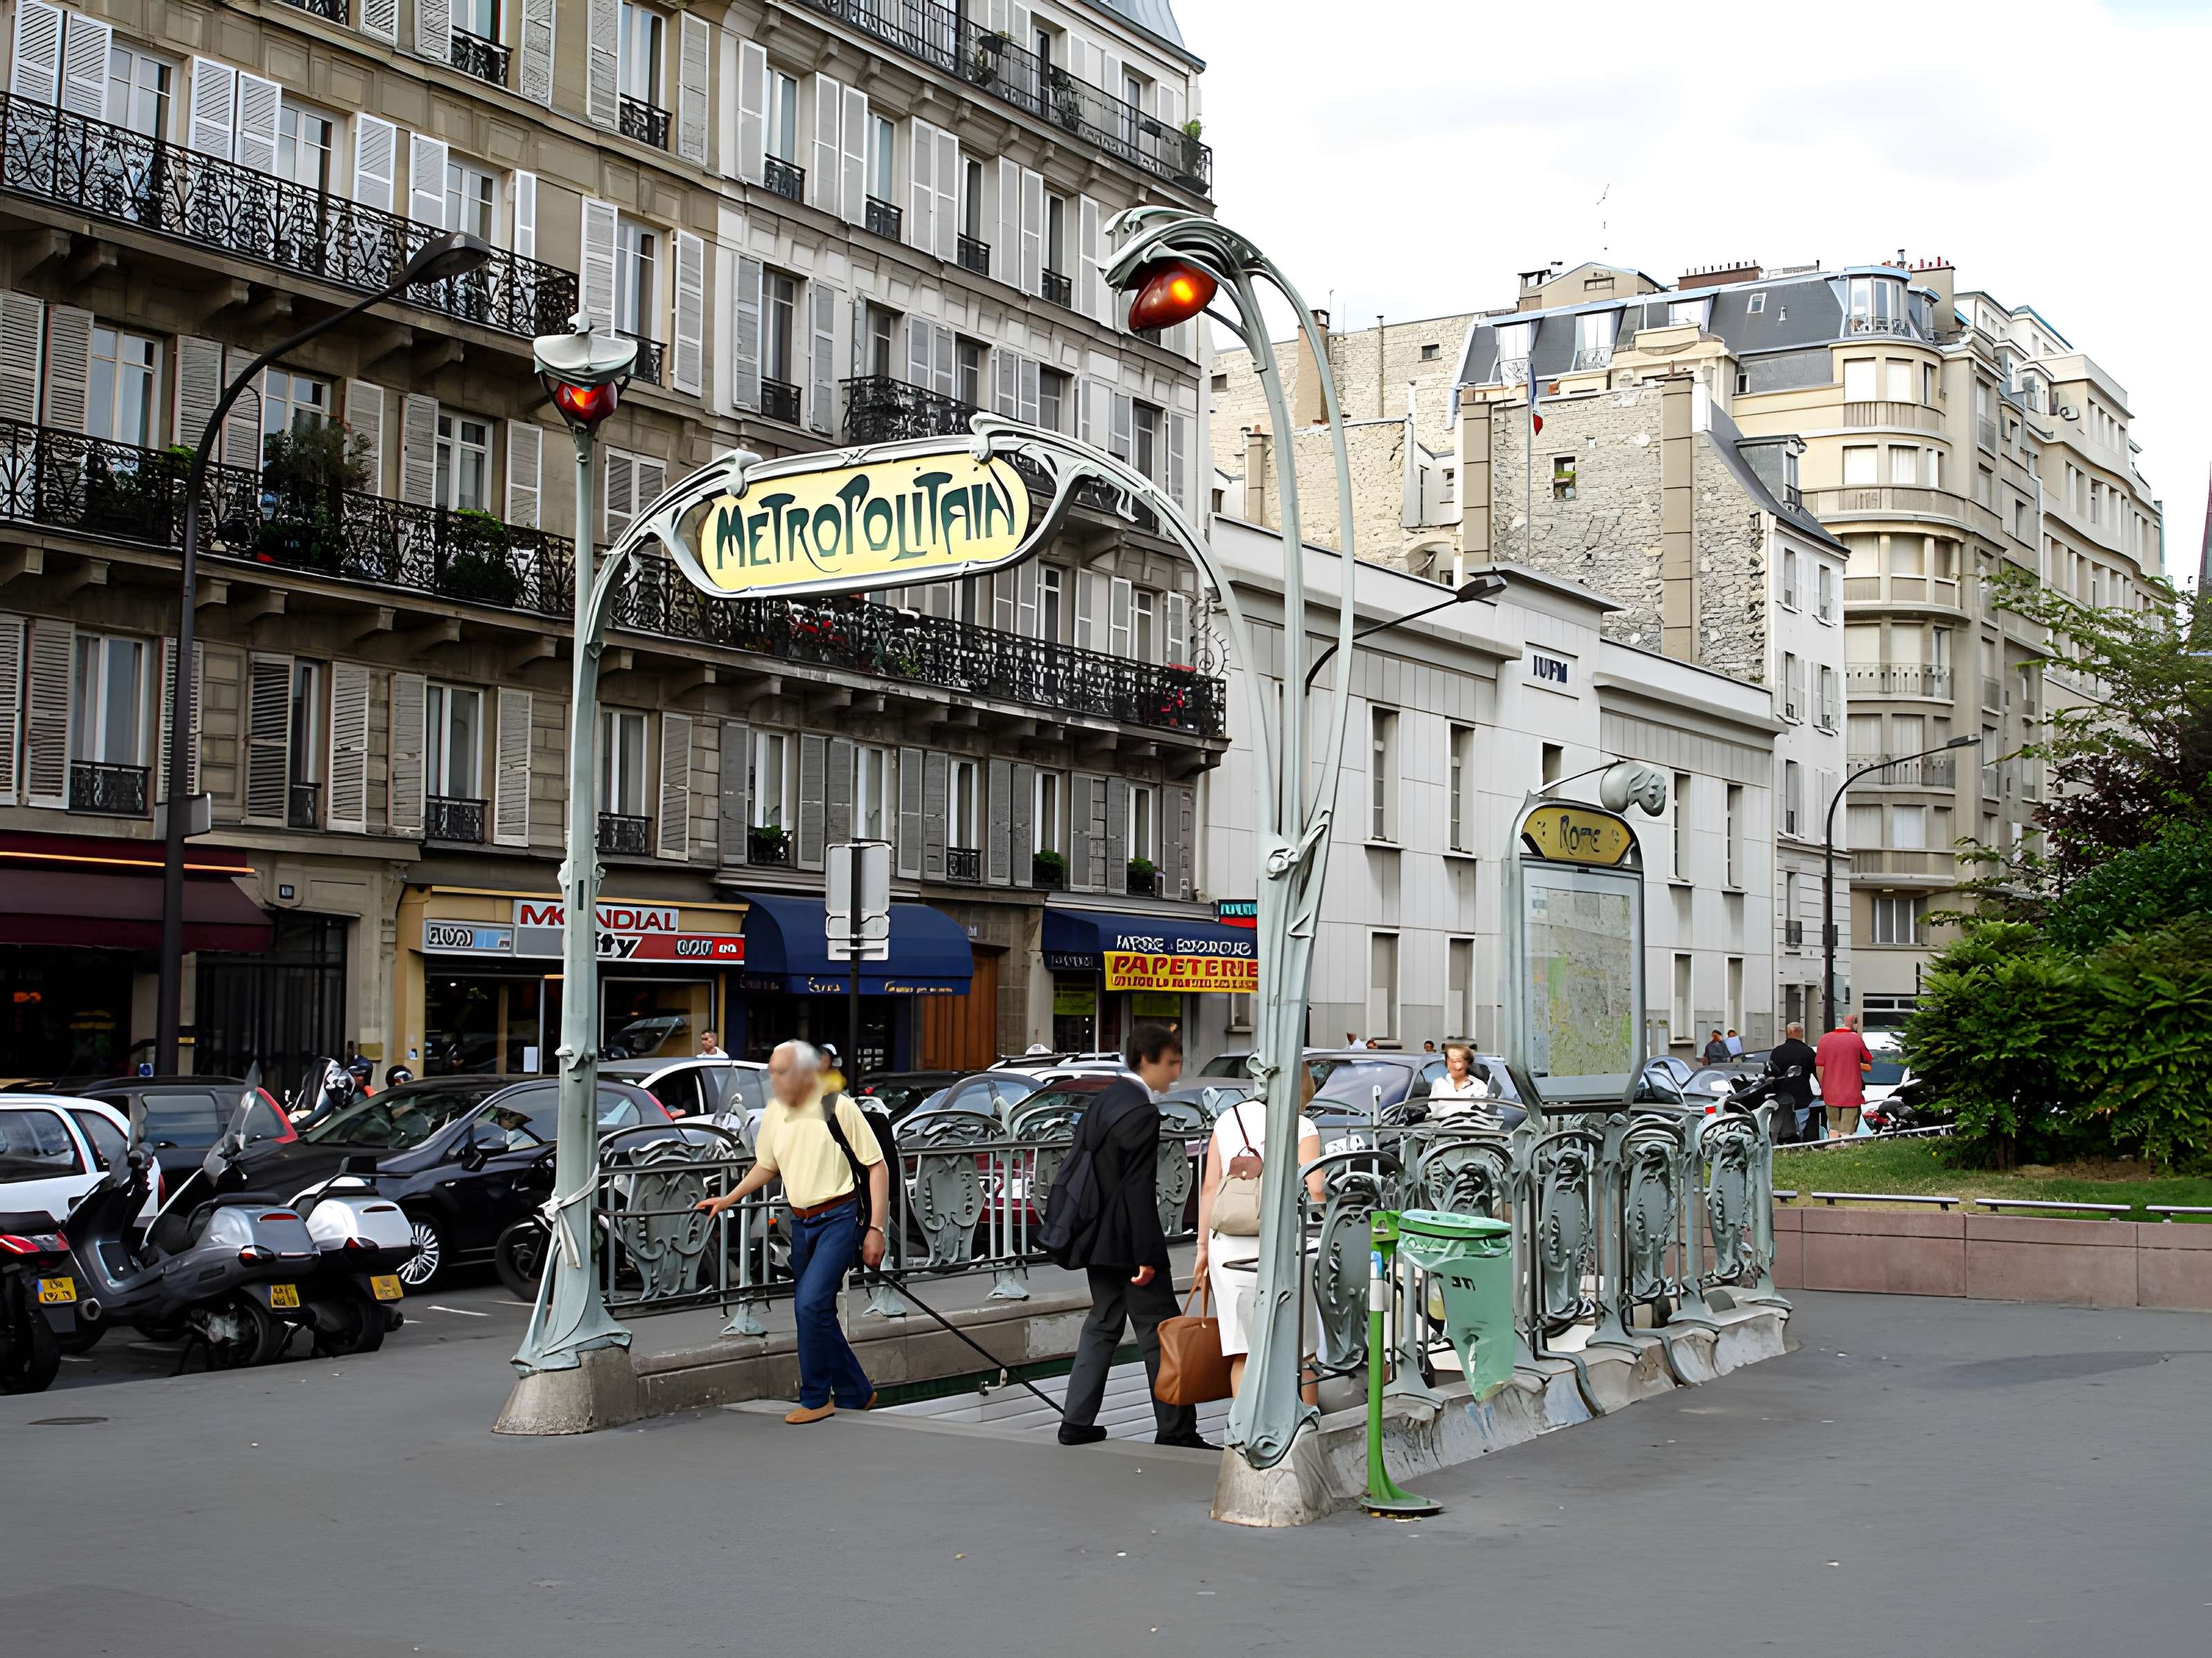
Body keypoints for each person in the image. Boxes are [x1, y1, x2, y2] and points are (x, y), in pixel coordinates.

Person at [695, 1041, 888, 1423]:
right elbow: (766, 1166)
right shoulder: (774, 1114)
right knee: (816, 1312)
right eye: (772, 1070)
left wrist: (876, 1229)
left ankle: (816, 1398)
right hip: (800, 1222)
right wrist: (728, 1199)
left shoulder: (838, 1106)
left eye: (781, 1070)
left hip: (838, 1217)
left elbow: (877, 1166)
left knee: (809, 1306)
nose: (773, 1078)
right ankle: (856, 1391)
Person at [1055, 1023, 1209, 1449]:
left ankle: (1076, 1421)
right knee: (1161, 1330)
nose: (1176, 1073)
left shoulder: (1105, 1101)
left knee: (1103, 1324)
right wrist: (1146, 1255)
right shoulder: (1143, 1113)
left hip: (1095, 1239)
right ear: (1149, 1060)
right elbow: (1138, 1189)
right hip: (1129, 1243)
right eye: (1172, 1062)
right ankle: (1176, 1429)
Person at [1196, 1066, 1327, 1399]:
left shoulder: (1228, 1119)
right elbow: (1315, 1189)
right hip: (1285, 1245)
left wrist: (1202, 1249)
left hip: (1228, 1248)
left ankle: (1244, 1440)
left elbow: (1210, 1187)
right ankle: (1303, 1436)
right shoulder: (1302, 1125)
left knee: (1244, 1352)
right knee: (1302, 1351)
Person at [1815, 1014, 1874, 1139]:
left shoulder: (1824, 1040)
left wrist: (1823, 1087)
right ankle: (1845, 1150)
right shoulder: (1856, 1039)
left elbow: (1820, 1067)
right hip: (1851, 1093)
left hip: (1831, 1093)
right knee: (1848, 1129)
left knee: (1833, 1127)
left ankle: (1833, 1148)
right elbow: (1868, 1062)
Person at [1766, 1022, 1819, 1143]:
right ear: (1801, 1033)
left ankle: (1777, 1143)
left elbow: (1772, 1073)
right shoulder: (1808, 1051)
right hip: (1802, 1098)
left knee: (1780, 1127)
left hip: (1781, 1097)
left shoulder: (1777, 1052)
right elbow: (1817, 1073)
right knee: (1802, 1127)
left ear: (1787, 1033)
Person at [1426, 1042, 1494, 1124]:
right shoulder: (1438, 1083)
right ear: (1446, 1063)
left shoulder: (1479, 1086)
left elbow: (1481, 1112)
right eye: (1452, 1060)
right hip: (1441, 1130)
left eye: (1459, 1060)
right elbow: (1432, 1112)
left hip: (1471, 1128)